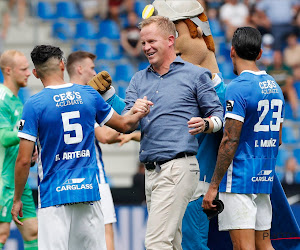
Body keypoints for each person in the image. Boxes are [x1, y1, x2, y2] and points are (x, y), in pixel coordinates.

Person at [10, 45, 150, 250]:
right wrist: (139, 111)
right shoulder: (88, 94)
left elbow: (23, 160)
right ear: (61, 65)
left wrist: (17, 199)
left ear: (35, 73)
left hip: (53, 195)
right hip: (88, 192)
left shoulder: (34, 104)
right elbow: (124, 125)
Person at [123, 16, 224, 249]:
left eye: (151, 41)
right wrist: (134, 114)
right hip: (151, 172)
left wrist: (208, 124)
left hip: (179, 167)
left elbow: (218, 115)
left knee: (156, 242)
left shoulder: (195, 74)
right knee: (174, 242)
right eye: (143, 42)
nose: (146, 47)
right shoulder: (138, 79)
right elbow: (126, 123)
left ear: (170, 40)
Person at [203, 27, 285, 250]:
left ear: (232, 51)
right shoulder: (275, 87)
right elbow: (277, 139)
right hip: (264, 179)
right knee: (265, 246)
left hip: (239, 181)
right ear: (259, 54)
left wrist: (213, 188)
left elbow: (230, 139)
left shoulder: (237, 88)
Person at [66, 50, 121, 250]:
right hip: (94, 177)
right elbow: (105, 136)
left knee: (74, 239)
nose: (95, 72)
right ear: (79, 69)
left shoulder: (61, 99)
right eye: (91, 68)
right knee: (105, 231)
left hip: (67, 179)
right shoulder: (86, 99)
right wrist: (129, 126)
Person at [0, 50, 38, 250]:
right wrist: (29, 132)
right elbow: (5, 138)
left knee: (33, 231)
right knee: (2, 233)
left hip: (18, 179)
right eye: (23, 69)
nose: (28, 73)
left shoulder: (16, 100)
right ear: (8, 71)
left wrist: (30, 149)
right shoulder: (1, 98)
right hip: (3, 180)